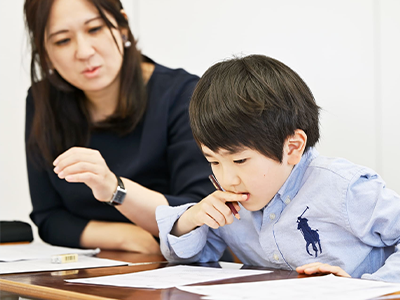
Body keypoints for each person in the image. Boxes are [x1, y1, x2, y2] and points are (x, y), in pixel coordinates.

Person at [156, 54, 400, 282]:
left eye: (240, 161)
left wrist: (367, 288)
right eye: (214, 161)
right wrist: (189, 221)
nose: (228, 178)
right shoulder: (232, 208)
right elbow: (190, 261)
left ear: (292, 148)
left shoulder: (344, 187)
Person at [24, 0, 214, 254]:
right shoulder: (42, 100)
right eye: (62, 41)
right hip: (98, 268)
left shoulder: (183, 95)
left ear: (122, 26)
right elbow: (49, 218)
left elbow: (199, 211)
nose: (84, 52)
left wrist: (114, 188)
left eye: (95, 29)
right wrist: (128, 237)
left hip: (184, 270)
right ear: (44, 50)